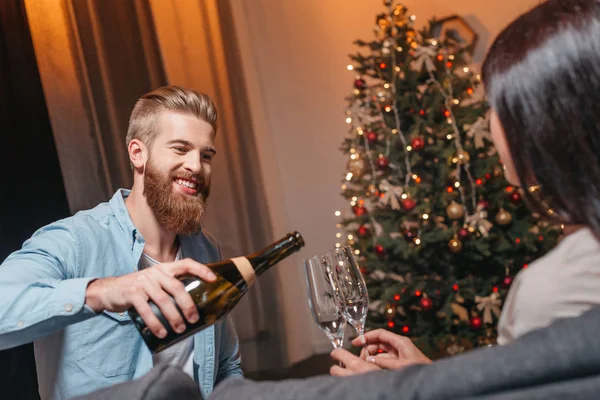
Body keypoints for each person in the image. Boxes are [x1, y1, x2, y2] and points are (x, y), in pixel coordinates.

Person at [328, 0, 600, 376]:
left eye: (494, 104)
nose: (488, 121)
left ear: (545, 120)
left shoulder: (555, 291)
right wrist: (427, 377)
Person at [0, 86, 243, 400]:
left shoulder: (204, 249)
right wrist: (105, 290)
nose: (196, 166)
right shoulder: (75, 239)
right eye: (180, 149)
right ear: (137, 153)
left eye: (205, 155)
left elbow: (226, 365)